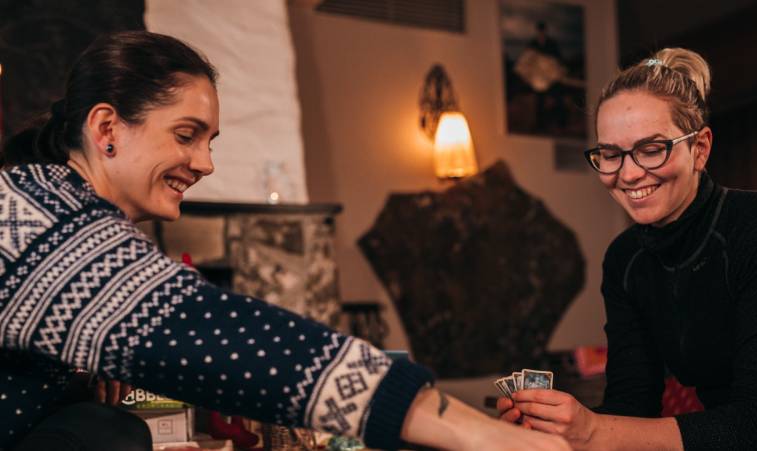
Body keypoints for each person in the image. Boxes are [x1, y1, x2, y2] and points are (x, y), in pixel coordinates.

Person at [0, 31, 569, 451]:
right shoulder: (33, 215)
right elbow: (214, 330)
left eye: (211, 141)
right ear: (106, 131)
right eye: (186, 135)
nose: (205, 163)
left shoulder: (57, 204)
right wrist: (481, 434)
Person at [497, 47, 757, 450]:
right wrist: (557, 430)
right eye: (610, 154)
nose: (629, 173)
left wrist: (592, 431)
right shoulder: (625, 260)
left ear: (701, 149)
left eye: (652, 148)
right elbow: (630, 406)